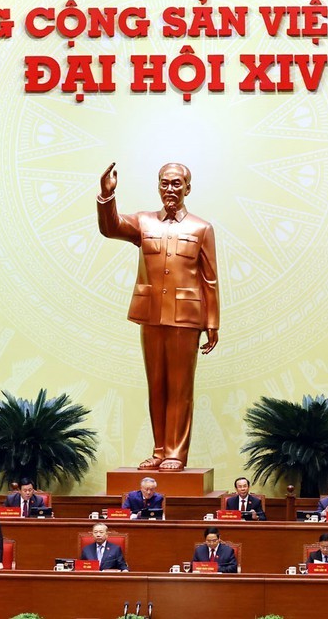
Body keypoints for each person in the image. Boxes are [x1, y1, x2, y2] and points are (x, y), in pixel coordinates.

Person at [96, 162, 220, 472]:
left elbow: (210, 279)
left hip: (186, 318)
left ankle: (176, 452)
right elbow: (111, 228)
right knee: (157, 386)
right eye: (165, 183)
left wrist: (212, 323)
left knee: (179, 388)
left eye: (177, 183)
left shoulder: (201, 228)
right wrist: (107, 196)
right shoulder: (143, 222)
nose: (170, 189)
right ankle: (160, 450)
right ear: (158, 186)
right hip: (150, 314)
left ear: (188, 188)